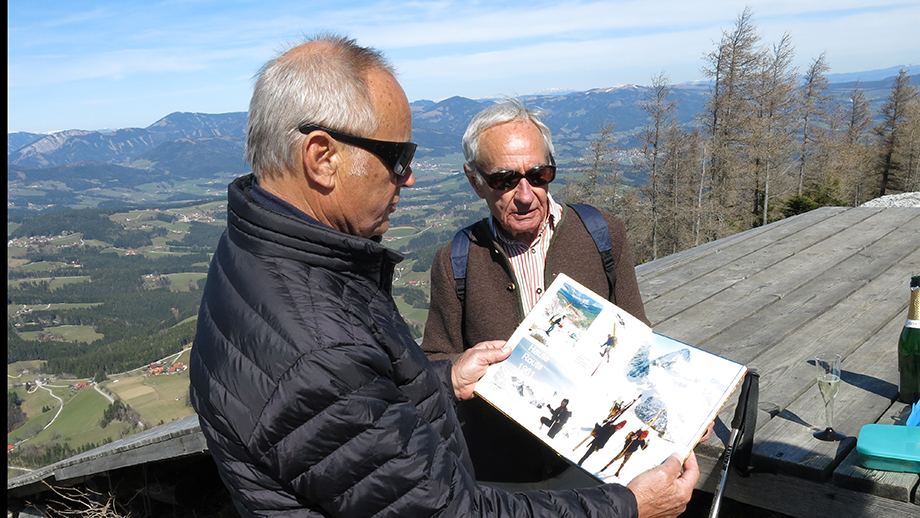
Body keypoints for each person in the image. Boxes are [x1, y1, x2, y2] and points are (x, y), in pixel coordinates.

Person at [190, 34, 698, 518]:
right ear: (322, 158)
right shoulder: (317, 346)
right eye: (397, 157)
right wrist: (629, 507)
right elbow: (448, 510)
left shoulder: (259, 254)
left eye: (539, 174)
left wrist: (446, 379)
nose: (408, 176)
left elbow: (360, 412)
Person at [423, 99, 652, 485]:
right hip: (504, 472)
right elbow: (434, 364)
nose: (526, 194)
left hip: (589, 463)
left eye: (539, 174)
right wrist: (459, 369)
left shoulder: (602, 234)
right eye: (504, 180)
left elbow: (639, 334)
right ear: (474, 179)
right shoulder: (455, 261)